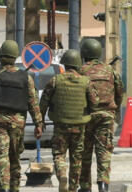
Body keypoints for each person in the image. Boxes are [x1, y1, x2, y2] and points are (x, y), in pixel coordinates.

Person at [0, 39, 42, 192]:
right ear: (15, 56)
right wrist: (38, 124)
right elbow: (33, 103)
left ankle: (3, 187)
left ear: (1, 56)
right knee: (15, 159)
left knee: (1, 157)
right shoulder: (26, 78)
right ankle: (14, 188)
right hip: (18, 124)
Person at [40, 50, 92, 192]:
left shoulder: (56, 80)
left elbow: (44, 101)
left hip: (61, 125)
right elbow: (94, 101)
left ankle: (62, 174)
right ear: (77, 64)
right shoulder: (85, 81)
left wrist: (40, 122)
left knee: (59, 154)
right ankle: (73, 188)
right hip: (79, 125)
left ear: (65, 64)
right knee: (77, 158)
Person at [77, 38, 124, 192]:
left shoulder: (80, 71)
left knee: (85, 152)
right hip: (106, 116)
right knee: (104, 151)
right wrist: (114, 110)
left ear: (84, 54)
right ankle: (103, 184)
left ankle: (85, 186)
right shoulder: (110, 71)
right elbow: (119, 92)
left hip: (86, 116)